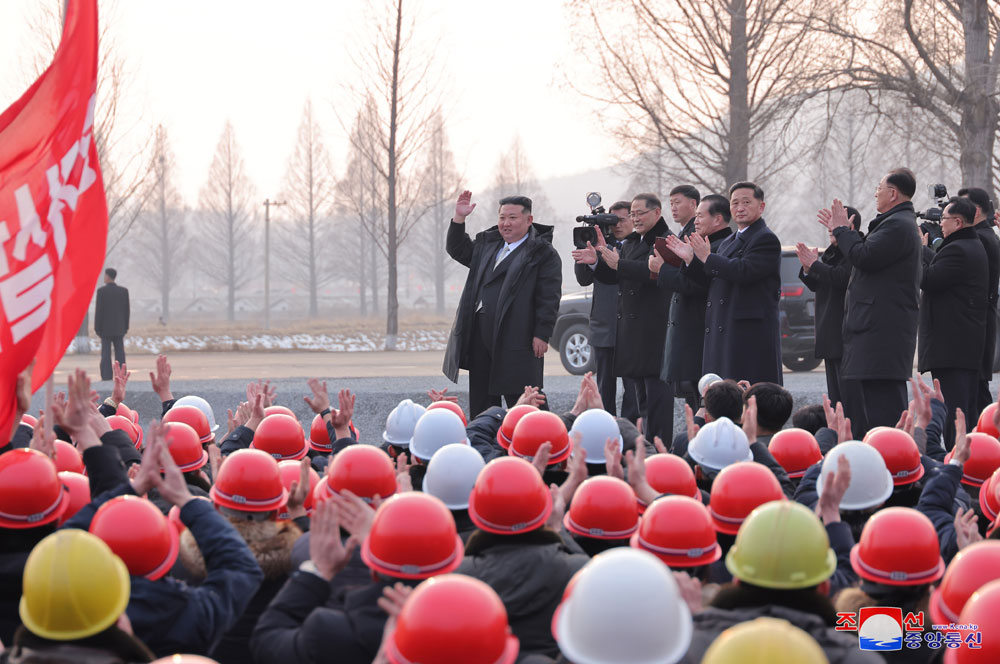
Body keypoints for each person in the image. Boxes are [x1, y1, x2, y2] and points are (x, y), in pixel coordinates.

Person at [817, 169, 922, 438]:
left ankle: (892, 461)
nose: (876, 192)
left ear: (893, 193)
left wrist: (843, 231)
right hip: (877, 329)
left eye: (879, 187)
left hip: (882, 331)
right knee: (873, 405)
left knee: (883, 410)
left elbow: (863, 256)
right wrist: (842, 233)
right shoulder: (894, 223)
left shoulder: (897, 224)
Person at [443, 191, 562, 417]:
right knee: (482, 401)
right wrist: (459, 218)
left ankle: (543, 439)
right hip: (481, 335)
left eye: (512, 218)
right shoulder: (488, 244)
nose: (506, 223)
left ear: (529, 220)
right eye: (502, 217)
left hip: (519, 337)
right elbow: (458, 249)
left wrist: (542, 333)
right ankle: (486, 445)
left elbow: (549, 297)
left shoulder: (542, 253)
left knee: (526, 399)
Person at [667, 182, 782, 386]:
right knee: (722, 396)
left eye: (746, 202)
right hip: (723, 330)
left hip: (747, 335)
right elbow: (711, 280)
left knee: (748, 397)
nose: (740, 208)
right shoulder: (730, 241)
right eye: (735, 203)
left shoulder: (765, 239)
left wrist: (707, 257)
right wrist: (690, 260)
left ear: (761, 206)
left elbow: (743, 271)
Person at [585, 193, 675, 443]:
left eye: (639, 214)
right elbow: (616, 276)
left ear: (656, 213)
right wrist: (598, 263)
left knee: (656, 399)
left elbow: (654, 274)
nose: (634, 219)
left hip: (654, 331)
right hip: (633, 333)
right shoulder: (634, 242)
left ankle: (661, 451)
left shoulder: (665, 241)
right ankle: (644, 447)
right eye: (632, 214)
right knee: (640, 398)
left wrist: (619, 265)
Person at [651, 192, 733, 411]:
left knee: (706, 400)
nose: (695, 221)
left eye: (700, 216)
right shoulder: (702, 243)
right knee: (694, 400)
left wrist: (663, 270)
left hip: (702, 330)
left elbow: (697, 285)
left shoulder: (721, 246)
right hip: (692, 330)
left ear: (717, 219)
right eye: (695, 217)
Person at [918, 196, 989, 448]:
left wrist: (917, 250)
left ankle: (957, 468)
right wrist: (927, 250)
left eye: (944, 220)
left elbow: (929, 279)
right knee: (963, 414)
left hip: (953, 348)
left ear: (958, 222)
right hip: (962, 346)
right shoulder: (969, 244)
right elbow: (941, 271)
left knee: (955, 415)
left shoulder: (958, 249)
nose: (940, 225)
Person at [571, 201, 643, 420]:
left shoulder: (640, 247)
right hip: (604, 324)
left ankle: (630, 431)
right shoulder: (600, 245)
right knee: (604, 387)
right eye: (612, 221)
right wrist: (587, 247)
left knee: (634, 389)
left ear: (633, 219)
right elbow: (583, 279)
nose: (617, 225)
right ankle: (605, 428)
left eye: (622, 220)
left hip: (632, 327)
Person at [796, 206, 861, 406]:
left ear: (850, 224)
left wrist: (815, 265)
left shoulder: (857, 250)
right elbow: (818, 283)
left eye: (834, 223)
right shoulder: (832, 251)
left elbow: (842, 278)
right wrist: (808, 269)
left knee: (850, 397)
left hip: (847, 330)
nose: (829, 228)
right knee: (835, 397)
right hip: (828, 330)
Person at [958, 186, 1000, 414]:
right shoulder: (983, 237)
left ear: (975, 210)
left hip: (974, 327)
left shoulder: (981, 239)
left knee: (974, 399)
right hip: (977, 325)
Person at [95, 267, 130, 382]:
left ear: (108, 276)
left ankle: (106, 376)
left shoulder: (101, 292)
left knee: (105, 353)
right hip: (119, 327)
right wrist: (125, 326)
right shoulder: (123, 291)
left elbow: (99, 311)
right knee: (120, 352)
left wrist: (97, 328)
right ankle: (121, 374)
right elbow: (126, 311)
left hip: (105, 329)